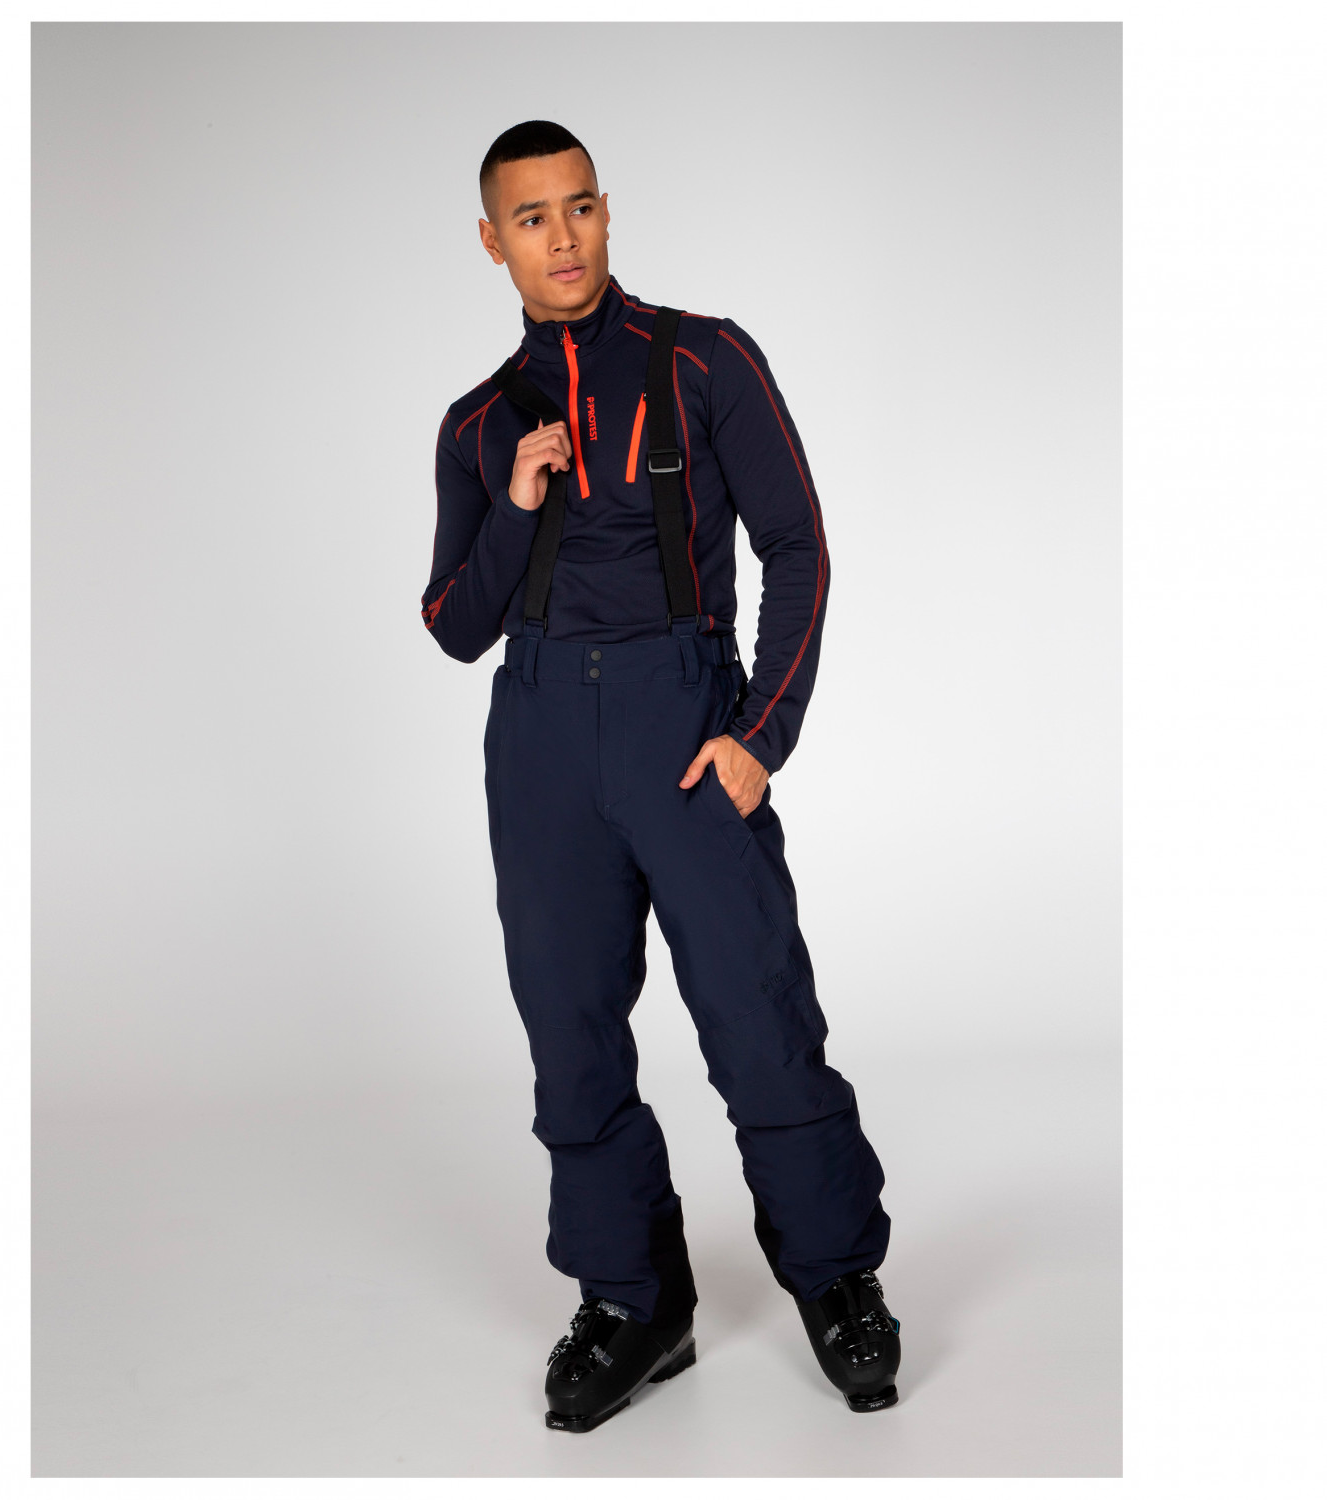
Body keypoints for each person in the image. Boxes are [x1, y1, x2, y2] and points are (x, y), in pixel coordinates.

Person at [421, 119, 901, 1433]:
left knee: (756, 1009)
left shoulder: (704, 359)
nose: (562, 237)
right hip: (538, 738)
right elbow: (453, 623)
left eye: (579, 206)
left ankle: (836, 1276)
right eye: (532, 218)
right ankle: (635, 1298)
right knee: (567, 1029)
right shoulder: (478, 424)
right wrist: (515, 505)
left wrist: (761, 733)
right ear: (492, 241)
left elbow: (797, 543)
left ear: (606, 211)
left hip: (681, 721)